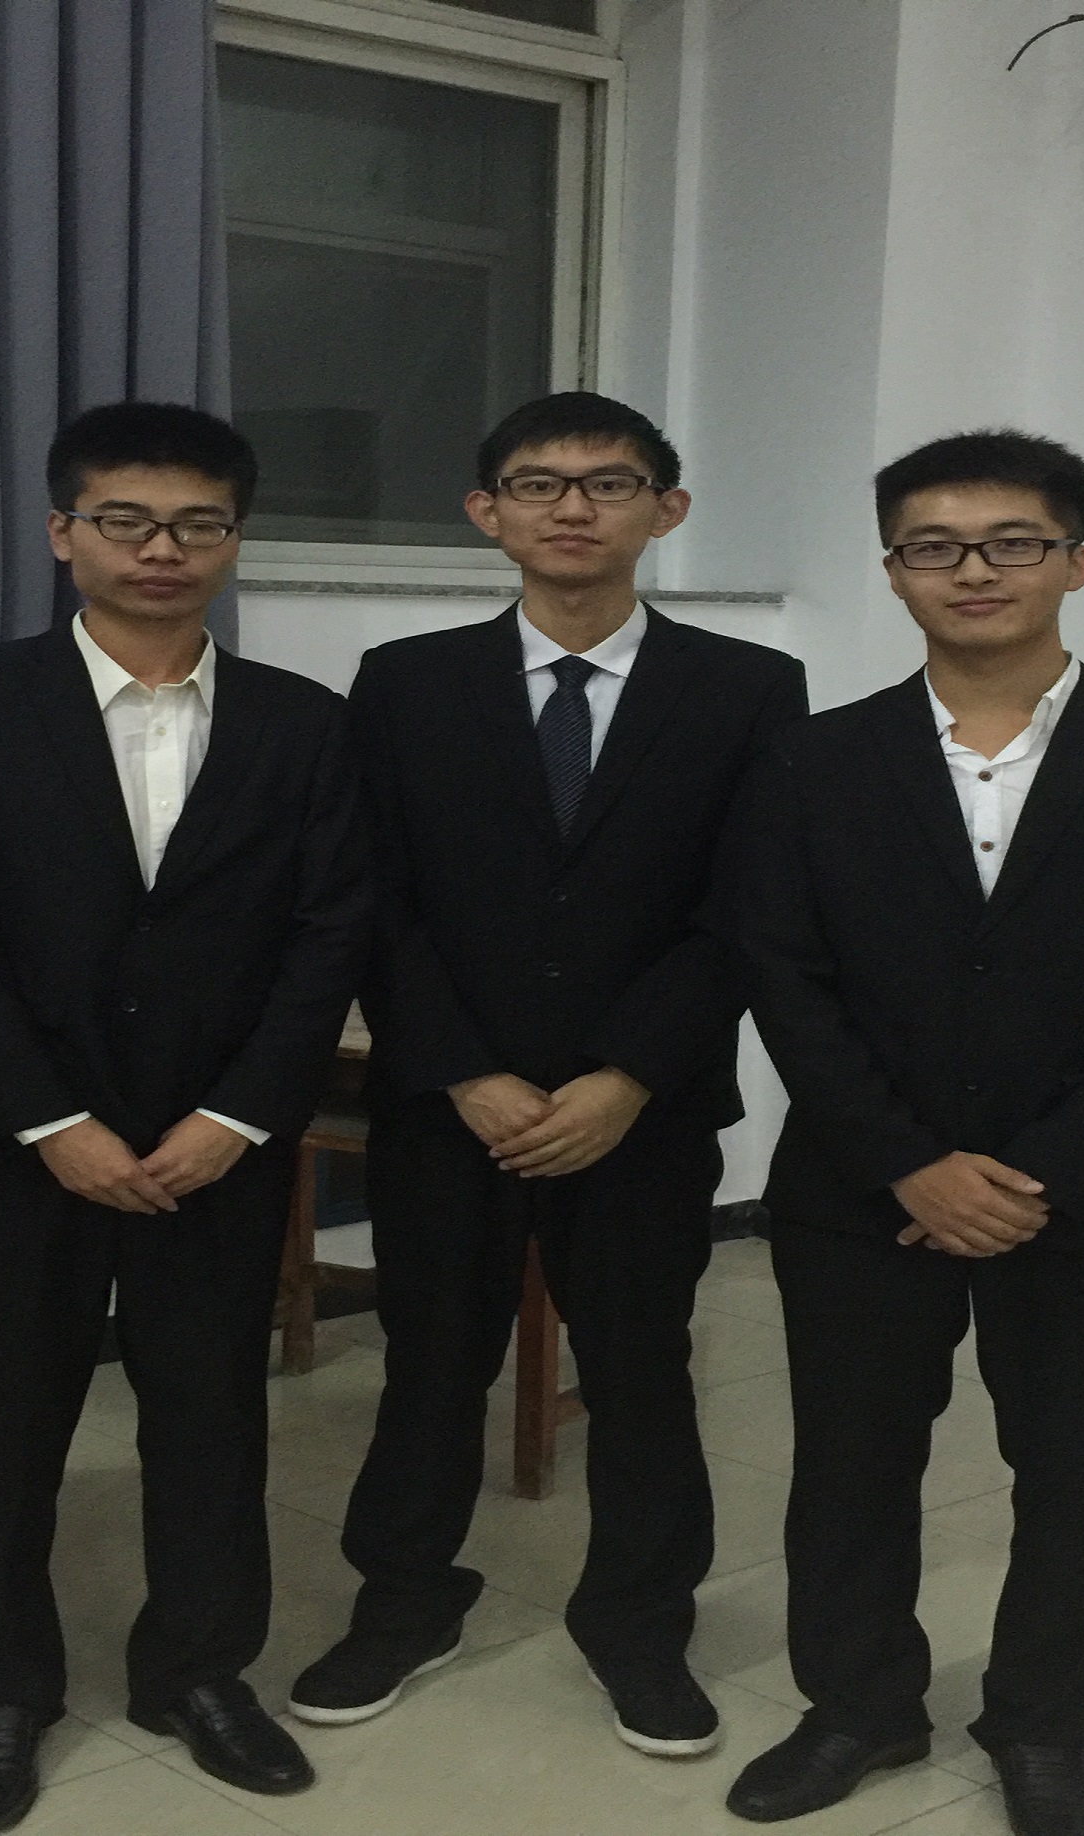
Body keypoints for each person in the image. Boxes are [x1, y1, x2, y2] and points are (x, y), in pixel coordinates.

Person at [721, 430, 1084, 1832]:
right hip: (862, 1190)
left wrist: (1041, 1175)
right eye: (935, 547)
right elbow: (785, 975)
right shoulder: (811, 759)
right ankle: (857, 1709)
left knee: (1078, 1476)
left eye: (1013, 542)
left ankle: (1044, 1728)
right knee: (850, 1468)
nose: (974, 570)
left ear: (1073, 562)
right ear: (893, 570)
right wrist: (907, 1160)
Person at [287, 392, 805, 1756]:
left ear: (666, 509)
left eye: (609, 483)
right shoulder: (405, 681)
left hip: (643, 1111)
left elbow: (749, 907)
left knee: (641, 1372)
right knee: (428, 1363)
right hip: (449, 1106)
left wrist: (627, 1076)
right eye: (538, 483)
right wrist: (464, 1072)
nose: (573, 507)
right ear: (488, 513)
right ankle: (404, 1603)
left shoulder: (748, 689)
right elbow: (373, 897)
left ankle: (640, 1624)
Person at [0, 401, 370, 1830]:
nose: (163, 549)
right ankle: (0, 1691)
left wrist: (240, 1116)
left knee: (212, 1416)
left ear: (233, 539)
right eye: (126, 520)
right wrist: (49, 1122)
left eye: (197, 524)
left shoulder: (304, 722)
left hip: (216, 1148)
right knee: (5, 1421)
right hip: (26, 1146)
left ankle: (199, 1672)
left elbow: (329, 935)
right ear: (64, 533)